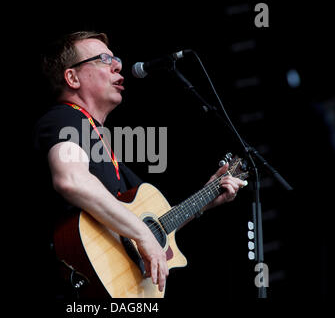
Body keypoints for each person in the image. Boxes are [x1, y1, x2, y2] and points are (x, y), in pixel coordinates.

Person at [34, 31, 246, 297]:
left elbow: (154, 226)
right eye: (103, 59)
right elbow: (71, 180)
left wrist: (206, 197)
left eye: (116, 59)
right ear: (72, 78)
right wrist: (142, 236)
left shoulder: (101, 143)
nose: (118, 65)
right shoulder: (63, 118)